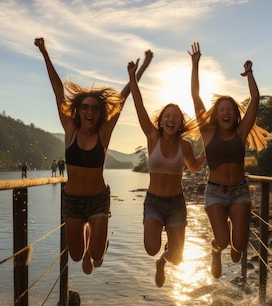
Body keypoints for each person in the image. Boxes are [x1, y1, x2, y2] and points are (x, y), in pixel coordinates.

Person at [35, 37, 152, 274]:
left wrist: (139, 70)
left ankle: (97, 247)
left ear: (100, 113)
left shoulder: (104, 132)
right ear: (78, 110)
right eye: (85, 107)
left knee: (96, 255)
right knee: (76, 256)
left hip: (98, 198)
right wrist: (45, 52)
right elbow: (58, 91)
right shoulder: (70, 130)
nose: (90, 111)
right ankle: (88, 241)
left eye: (95, 108)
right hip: (73, 201)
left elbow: (124, 96)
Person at [189, 42, 270, 279]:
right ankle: (215, 251)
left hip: (240, 192)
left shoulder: (241, 132)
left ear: (235, 115)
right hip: (215, 192)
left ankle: (233, 244)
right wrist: (195, 64)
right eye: (221, 109)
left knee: (239, 248)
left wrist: (250, 75)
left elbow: (255, 99)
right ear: (215, 114)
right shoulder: (207, 131)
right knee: (223, 241)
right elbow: (195, 96)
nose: (225, 113)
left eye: (230, 110)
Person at [127, 56, 206, 287]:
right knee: (151, 247)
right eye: (167, 116)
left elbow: (193, 167)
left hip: (176, 203)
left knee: (178, 259)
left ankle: (163, 261)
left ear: (180, 122)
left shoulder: (185, 146)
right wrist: (132, 77)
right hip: (153, 202)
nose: (171, 119)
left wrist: (205, 154)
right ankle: (158, 255)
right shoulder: (153, 138)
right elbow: (139, 105)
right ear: (161, 121)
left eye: (176, 116)